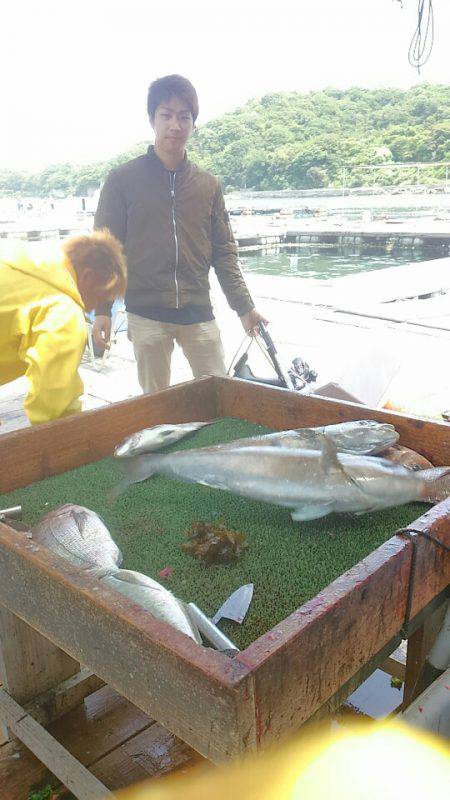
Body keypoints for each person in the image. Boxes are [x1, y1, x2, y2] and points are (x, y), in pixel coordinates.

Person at [93, 74, 267, 395]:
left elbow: (224, 253)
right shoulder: (122, 180)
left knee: (220, 396)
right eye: (166, 115)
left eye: (184, 116)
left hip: (197, 309)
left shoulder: (208, 185)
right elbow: (105, 251)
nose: (175, 124)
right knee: (155, 403)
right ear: (152, 120)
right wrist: (102, 311)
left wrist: (245, 307)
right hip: (146, 313)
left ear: (193, 124)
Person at [0, 229, 127, 425]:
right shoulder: (64, 312)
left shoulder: (20, 259)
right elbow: (51, 405)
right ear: (87, 277)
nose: (91, 309)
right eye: (99, 297)